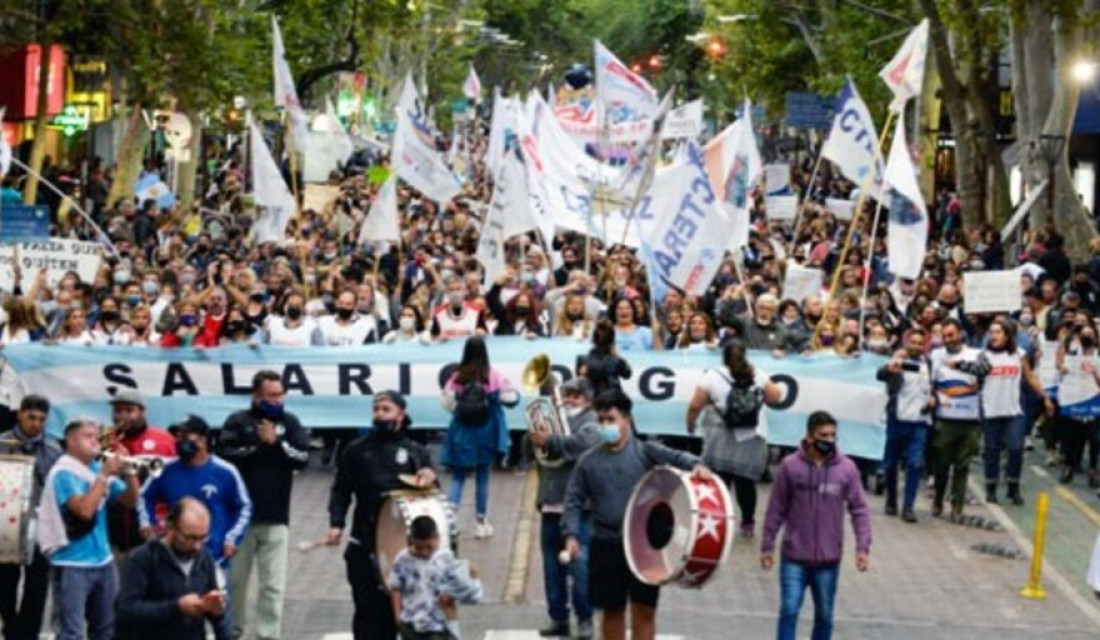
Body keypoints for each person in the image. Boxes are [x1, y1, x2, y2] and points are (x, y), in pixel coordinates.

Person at [563, 389, 711, 640]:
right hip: (605, 544)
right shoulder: (588, 461)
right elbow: (573, 500)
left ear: (627, 420)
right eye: (601, 420)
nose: (605, 425)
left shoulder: (646, 452)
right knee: (611, 612)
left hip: (644, 548)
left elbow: (678, 457)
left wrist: (698, 466)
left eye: (611, 419)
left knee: (644, 612)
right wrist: (571, 535)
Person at [326, 390, 438, 640]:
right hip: (364, 544)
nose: (379, 414)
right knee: (368, 615)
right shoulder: (356, 450)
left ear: (401, 413)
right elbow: (341, 490)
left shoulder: (415, 451)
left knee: (407, 618)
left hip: (405, 548)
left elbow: (432, 497)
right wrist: (336, 523)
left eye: (386, 409)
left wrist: (430, 477)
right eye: (376, 409)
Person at [760, 410, 872, 640]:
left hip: (828, 560)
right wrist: (767, 545)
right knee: (789, 611)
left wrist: (862, 547)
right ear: (810, 437)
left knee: (825, 615)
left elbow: (860, 509)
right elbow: (776, 508)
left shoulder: (847, 469)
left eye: (833, 436)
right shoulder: (790, 467)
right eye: (823, 435)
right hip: (794, 556)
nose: (829, 441)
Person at [217, 371, 310, 640]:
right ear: (256, 395)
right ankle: (233, 631)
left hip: (276, 516)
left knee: (272, 585)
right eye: (270, 395)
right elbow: (225, 456)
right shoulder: (238, 421)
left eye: (280, 395)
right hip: (238, 520)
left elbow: (302, 458)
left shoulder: (290, 423)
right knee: (235, 582)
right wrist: (259, 446)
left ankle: (268, 635)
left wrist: (277, 443)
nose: (276, 400)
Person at [37, 418, 141, 640]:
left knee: (106, 630)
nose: (96, 441)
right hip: (71, 563)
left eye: (96, 436)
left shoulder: (95, 468)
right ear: (71, 441)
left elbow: (130, 501)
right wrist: (104, 475)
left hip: (103, 560)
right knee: (71, 633)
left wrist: (130, 470)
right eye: (88, 436)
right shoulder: (63, 472)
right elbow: (84, 510)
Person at [525, 378, 601, 639]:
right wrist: (532, 437)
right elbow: (532, 453)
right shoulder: (553, 421)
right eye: (566, 395)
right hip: (550, 503)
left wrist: (550, 440)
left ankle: (585, 619)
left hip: (581, 509)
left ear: (588, 400)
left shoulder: (592, 422)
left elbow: (581, 445)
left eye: (576, 396)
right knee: (551, 569)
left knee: (580, 567)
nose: (568, 400)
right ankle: (558, 618)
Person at [686, 341, 783, 539]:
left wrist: (691, 425)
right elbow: (775, 398)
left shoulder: (712, 376)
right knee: (746, 482)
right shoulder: (758, 374)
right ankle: (747, 522)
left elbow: (695, 405)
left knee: (721, 480)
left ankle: (720, 520)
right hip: (752, 435)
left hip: (721, 434)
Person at [139, 416, 252, 568]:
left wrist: (231, 539)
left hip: (214, 557)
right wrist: (147, 524)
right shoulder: (164, 469)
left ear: (203, 440)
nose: (180, 442)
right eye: (177, 437)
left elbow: (244, 507)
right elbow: (145, 496)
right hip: (172, 559)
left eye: (185, 437)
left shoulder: (226, 471)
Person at [115, 498, 231, 640]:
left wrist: (217, 613)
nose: (197, 546)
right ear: (171, 525)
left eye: (202, 538)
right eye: (190, 538)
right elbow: (126, 610)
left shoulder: (204, 558)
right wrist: (176, 607)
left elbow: (216, 614)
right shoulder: (143, 558)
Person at [966, 319, 1054, 504]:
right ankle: (991, 487)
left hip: (1013, 410)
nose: (993, 335)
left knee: (1016, 449)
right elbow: (973, 378)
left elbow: (1030, 377)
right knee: (991, 450)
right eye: (991, 332)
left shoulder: (1018, 355)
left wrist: (1045, 397)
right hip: (991, 410)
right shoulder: (983, 356)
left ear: (1007, 335)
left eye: (998, 332)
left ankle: (1013, 487)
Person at [441, 336, 518, 539]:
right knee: (482, 478)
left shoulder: (457, 377)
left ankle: (450, 518)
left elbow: (446, 402)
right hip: (487, 432)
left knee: (458, 476)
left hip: (462, 430)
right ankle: (481, 523)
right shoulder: (493, 376)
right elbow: (511, 398)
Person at [0, 395, 61, 640]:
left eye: (42, 420)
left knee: (37, 583)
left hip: (39, 520)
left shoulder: (53, 448)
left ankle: (29, 633)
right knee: (5, 580)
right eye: (31, 417)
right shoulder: (2, 442)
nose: (36, 424)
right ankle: (11, 625)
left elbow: (57, 486)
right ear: (20, 414)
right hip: (6, 520)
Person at [104, 389, 178, 556]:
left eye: (129, 410)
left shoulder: (164, 440)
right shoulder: (104, 442)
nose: (122, 416)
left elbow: (177, 483)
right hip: (113, 535)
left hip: (154, 531)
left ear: (142, 411)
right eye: (118, 411)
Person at [388, 515, 483, 640]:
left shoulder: (444, 557)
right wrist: (398, 617)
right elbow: (396, 587)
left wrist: (469, 577)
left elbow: (462, 585)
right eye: (419, 547)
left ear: (437, 538)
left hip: (437, 623)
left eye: (429, 547)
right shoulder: (403, 560)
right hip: (411, 621)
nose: (424, 552)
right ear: (410, 541)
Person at [875, 329, 934, 522]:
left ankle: (908, 507)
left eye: (920, 343)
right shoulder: (897, 361)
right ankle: (892, 499)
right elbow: (881, 374)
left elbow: (937, 386)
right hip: (898, 420)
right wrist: (890, 370)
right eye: (913, 342)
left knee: (915, 464)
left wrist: (935, 398)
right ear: (906, 343)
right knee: (891, 464)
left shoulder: (930, 364)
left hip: (920, 422)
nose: (916, 346)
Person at [929, 318, 983, 519]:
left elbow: (985, 371)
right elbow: (930, 381)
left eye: (951, 335)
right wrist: (931, 395)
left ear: (960, 333)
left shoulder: (975, 354)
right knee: (942, 464)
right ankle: (938, 499)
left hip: (969, 419)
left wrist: (961, 365)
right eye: (944, 336)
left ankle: (957, 506)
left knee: (963, 465)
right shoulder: (935, 355)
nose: (948, 339)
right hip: (945, 418)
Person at [577, 320, 632, 397]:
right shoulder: (616, 360)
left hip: (594, 400)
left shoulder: (582, 360)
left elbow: (627, 374)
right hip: (611, 400)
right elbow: (627, 374)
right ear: (612, 340)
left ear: (594, 338)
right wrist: (618, 356)